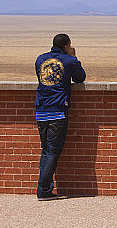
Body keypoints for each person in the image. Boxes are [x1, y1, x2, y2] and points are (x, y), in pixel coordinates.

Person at [34, 33, 86, 200]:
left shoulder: (40, 60)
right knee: (52, 151)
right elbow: (80, 78)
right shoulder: (69, 61)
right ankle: (43, 191)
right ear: (66, 46)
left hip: (40, 110)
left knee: (46, 150)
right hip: (57, 111)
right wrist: (74, 57)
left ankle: (44, 188)